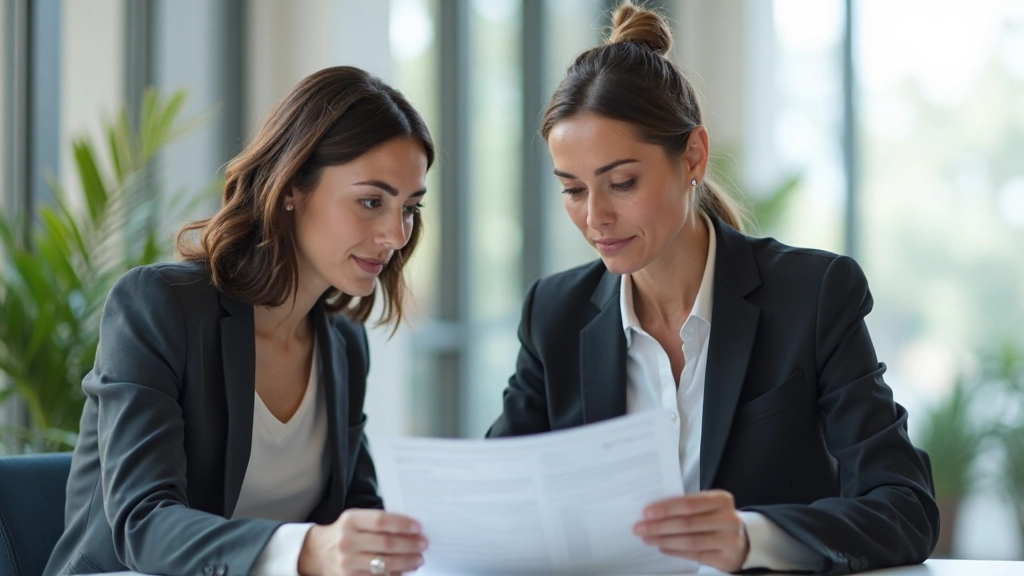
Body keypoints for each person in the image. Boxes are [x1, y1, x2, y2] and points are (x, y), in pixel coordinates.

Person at [487, 4, 939, 575]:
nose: (596, 216)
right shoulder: (554, 314)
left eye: (621, 182)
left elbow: (905, 508)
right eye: (573, 190)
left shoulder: (813, 297)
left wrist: (751, 538)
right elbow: (496, 504)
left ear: (692, 156)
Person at [45, 66, 431, 576]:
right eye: (370, 201)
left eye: (409, 208)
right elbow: (142, 522)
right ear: (293, 186)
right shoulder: (158, 306)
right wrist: (308, 550)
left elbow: (354, 513)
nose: (396, 235)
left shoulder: (343, 344)